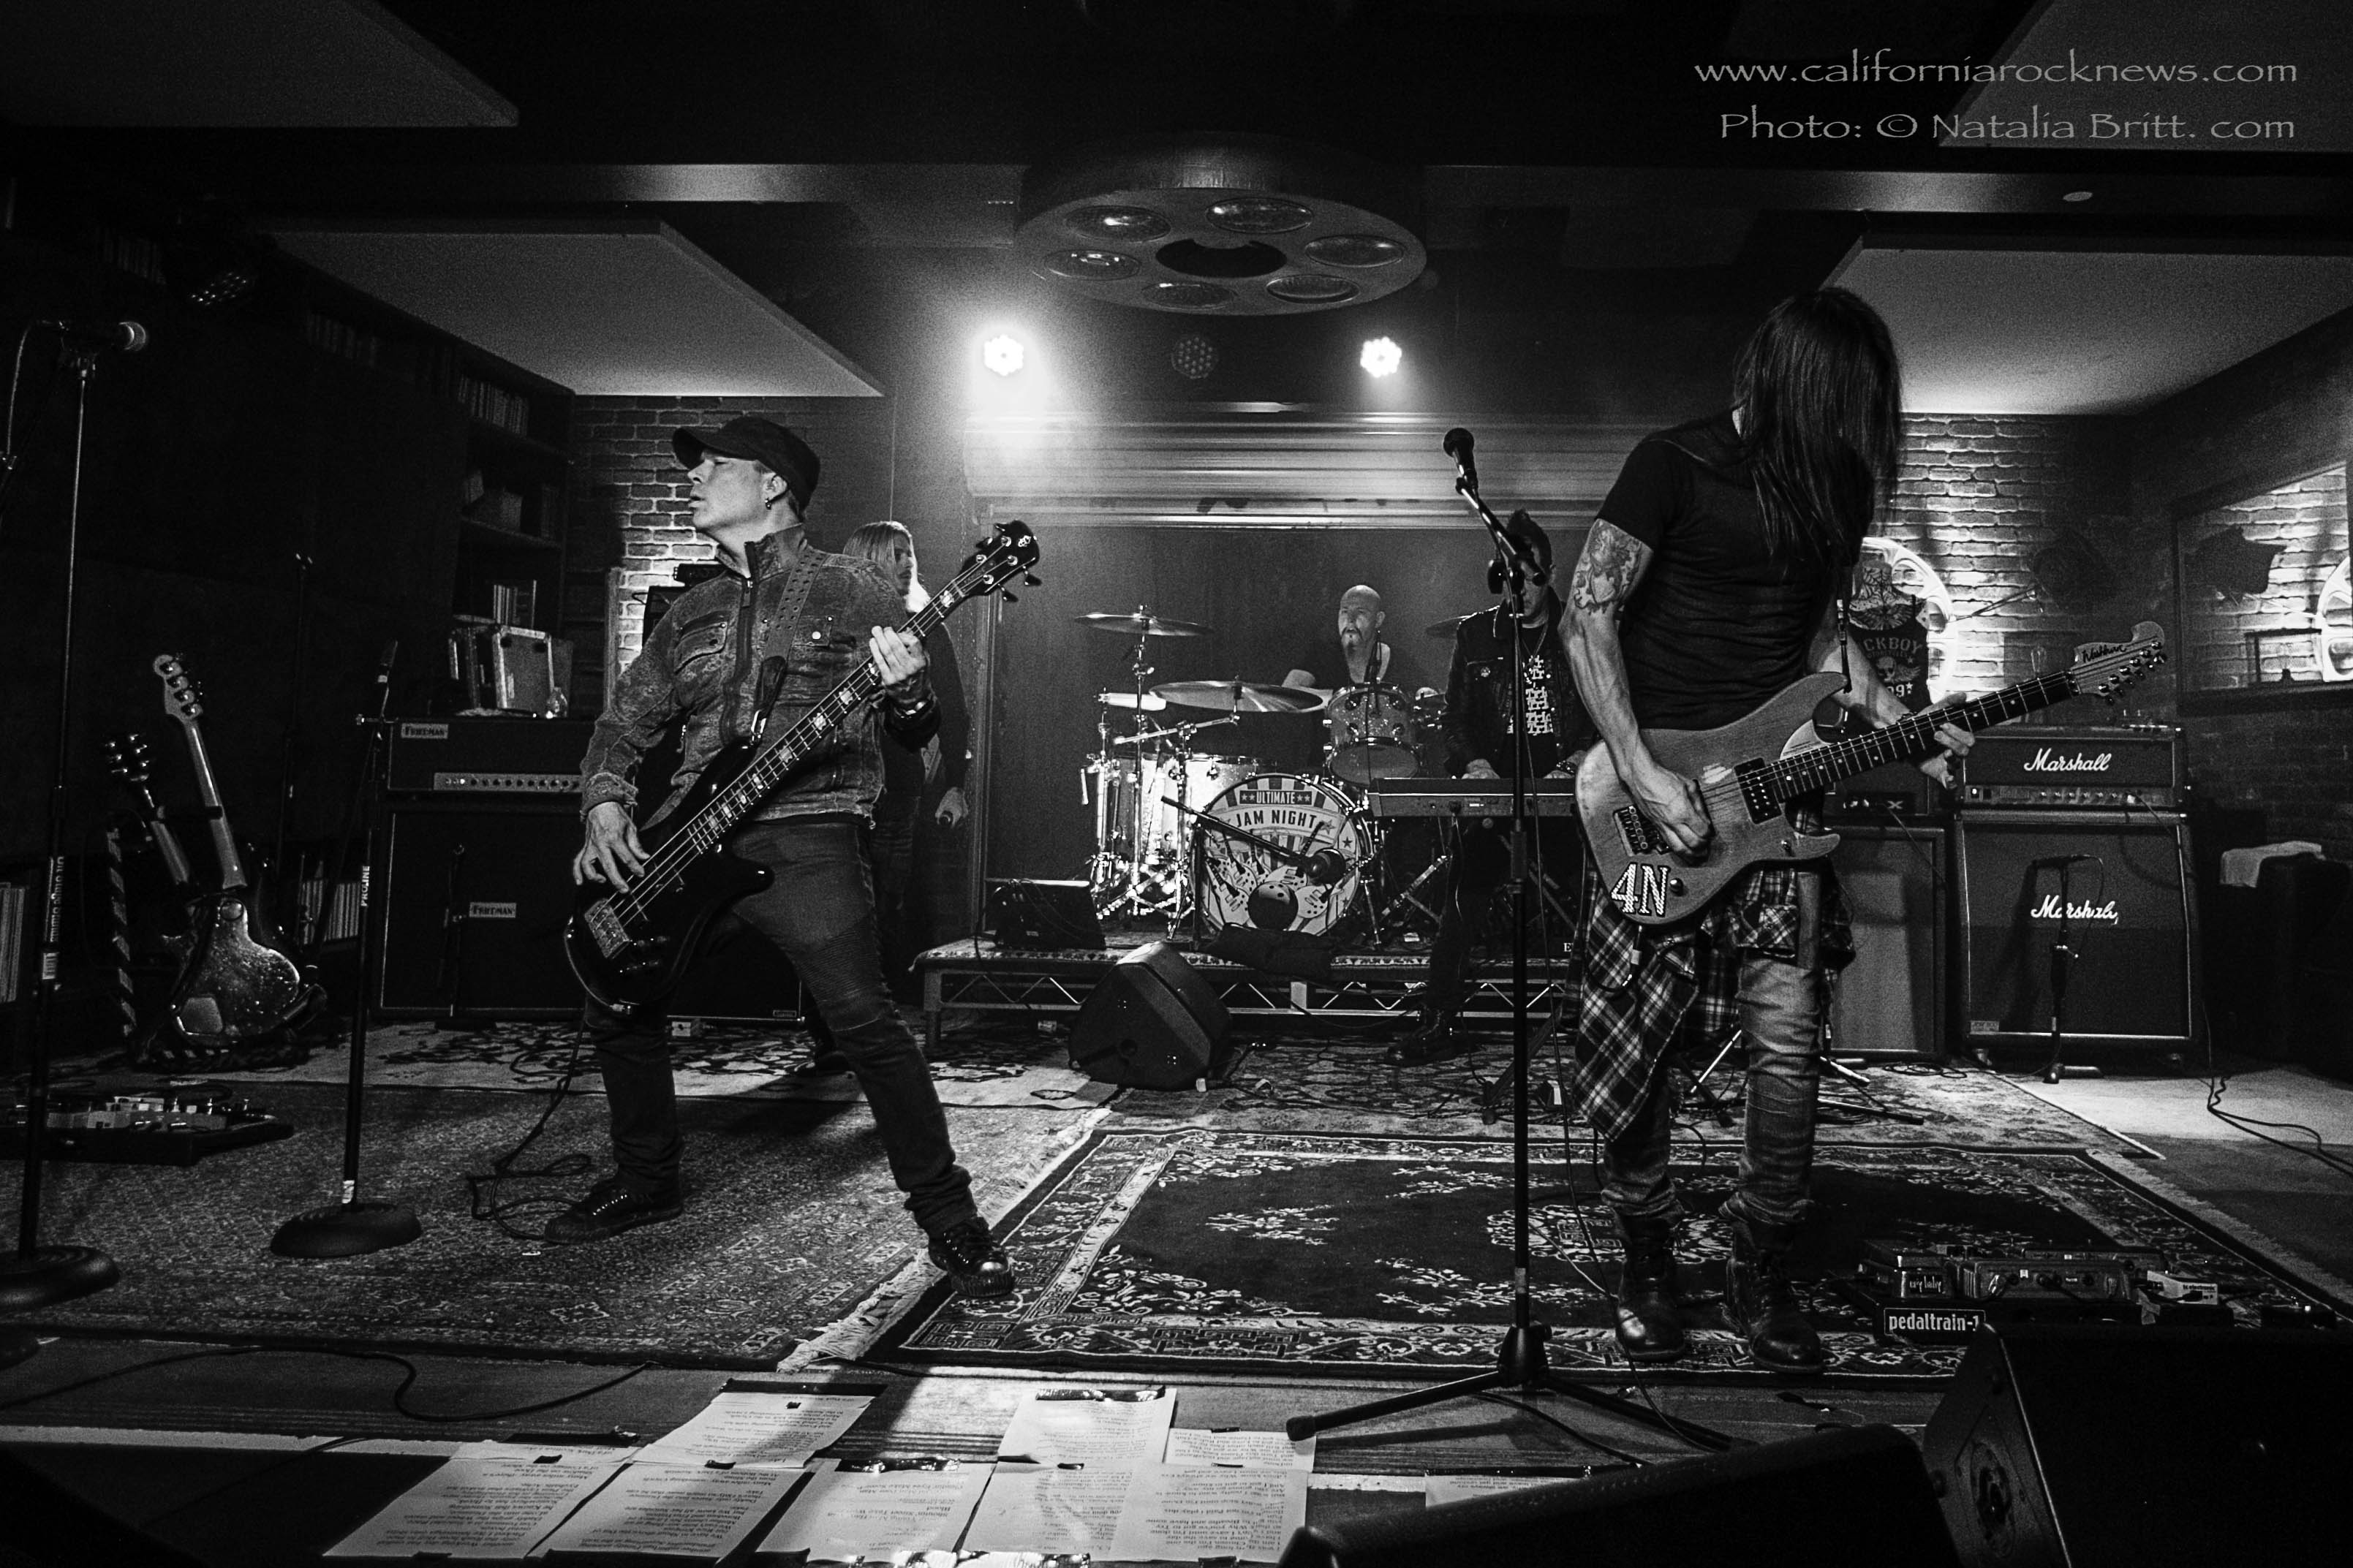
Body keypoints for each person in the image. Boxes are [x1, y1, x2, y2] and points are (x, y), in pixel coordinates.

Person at [1560, 289, 1971, 1371]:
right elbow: (1586, 613)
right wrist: (1642, 771)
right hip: (1652, 800)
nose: (1851, 434)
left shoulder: (1833, 486)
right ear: (1793, 384)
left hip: (1779, 806)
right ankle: (1647, 1254)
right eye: (1839, 407)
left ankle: (1762, 1259)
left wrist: (1905, 724)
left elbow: (1824, 647)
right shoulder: (1671, 466)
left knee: (1786, 1047)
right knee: (1636, 1045)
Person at [564, 415, 1013, 1299]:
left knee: (866, 1024)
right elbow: (623, 723)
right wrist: (605, 801)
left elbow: (916, 728)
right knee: (615, 994)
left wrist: (907, 691)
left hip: (809, 829)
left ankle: (952, 1223)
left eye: (713, 466)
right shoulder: (689, 610)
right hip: (688, 838)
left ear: (771, 484)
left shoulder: (855, 588)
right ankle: (646, 1180)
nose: (693, 480)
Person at [1389, 511, 1595, 1067]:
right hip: (1497, 784)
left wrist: (1579, 761)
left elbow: (1608, 709)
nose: (1519, 587)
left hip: (1565, 785)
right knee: (1465, 893)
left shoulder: (1579, 631)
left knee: (1593, 897)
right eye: (1509, 575)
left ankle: (1596, 1019)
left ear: (1550, 575)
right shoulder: (1477, 634)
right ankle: (1438, 1020)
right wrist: (1475, 763)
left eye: (1529, 575)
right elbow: (1454, 721)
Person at [842, 520, 972, 996]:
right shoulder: (838, 625)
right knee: (839, 902)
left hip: (897, 783)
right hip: (835, 785)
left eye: (909, 552)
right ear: (868, 559)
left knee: (887, 898)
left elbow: (954, 709)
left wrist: (956, 782)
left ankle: (880, 1000)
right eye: (895, 553)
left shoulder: (925, 626)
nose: (907, 562)